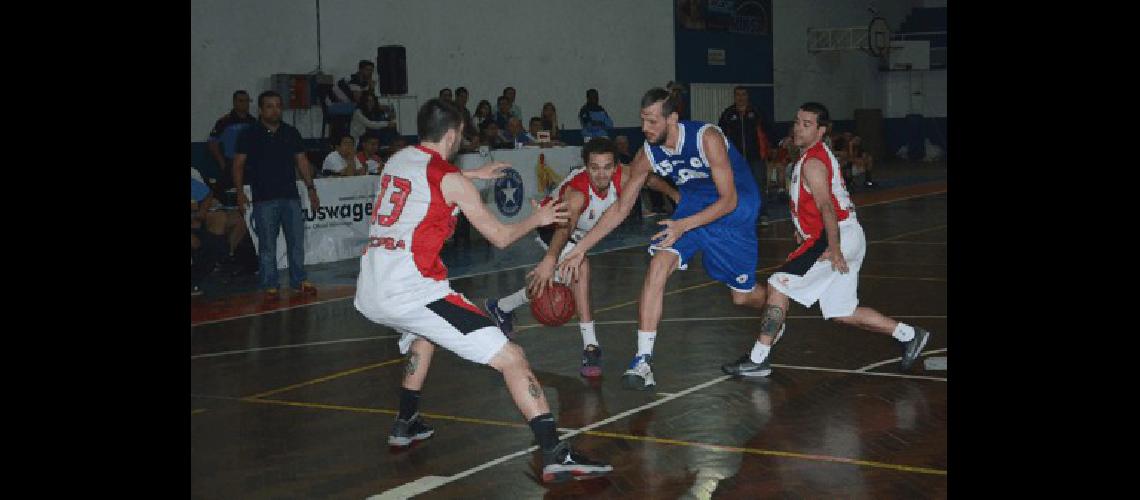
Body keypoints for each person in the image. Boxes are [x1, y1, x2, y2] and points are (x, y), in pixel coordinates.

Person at [354, 98, 611, 482]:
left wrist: (473, 176)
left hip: (371, 286)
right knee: (513, 357)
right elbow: (502, 237)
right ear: (454, 133)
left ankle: (405, 422)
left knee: (423, 338)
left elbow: (432, 177)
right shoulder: (451, 180)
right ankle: (555, 452)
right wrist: (538, 217)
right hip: (412, 290)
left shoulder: (397, 159)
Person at [555, 88, 767, 391]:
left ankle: (776, 303)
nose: (645, 129)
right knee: (658, 265)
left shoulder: (706, 138)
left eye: (653, 122)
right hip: (692, 206)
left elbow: (728, 200)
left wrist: (684, 225)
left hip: (734, 210)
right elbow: (620, 208)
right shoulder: (648, 153)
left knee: (743, 296)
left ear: (673, 118)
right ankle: (642, 361)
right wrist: (580, 249)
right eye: (643, 121)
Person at [720, 102, 932, 378]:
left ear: (820, 131)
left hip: (837, 235)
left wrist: (834, 248)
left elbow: (826, 207)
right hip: (845, 233)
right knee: (841, 311)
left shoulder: (814, 163)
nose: (798, 128)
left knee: (778, 285)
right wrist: (804, 230)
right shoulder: (811, 157)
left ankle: (758, 358)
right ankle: (908, 334)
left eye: (806, 125)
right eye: (797, 122)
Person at [485, 137, 678, 378]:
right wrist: (550, 258)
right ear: (585, 167)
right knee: (580, 267)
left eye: (607, 167)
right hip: (555, 228)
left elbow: (650, 180)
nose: (601, 174)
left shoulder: (626, 175)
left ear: (616, 166)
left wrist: (676, 196)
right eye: (594, 168)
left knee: (559, 279)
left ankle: (501, 306)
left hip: (580, 233)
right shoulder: (577, 192)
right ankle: (591, 347)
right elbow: (565, 228)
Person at [233, 90, 321, 299]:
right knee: (267, 245)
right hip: (264, 198)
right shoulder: (249, 134)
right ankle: (269, 284)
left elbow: (302, 161)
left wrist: (311, 189)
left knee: (296, 242)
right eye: (270, 106)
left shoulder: (291, 132)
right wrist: (239, 192)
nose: (275, 110)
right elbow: (238, 165)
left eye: (278, 105)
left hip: (290, 196)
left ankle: (298, 280)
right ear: (261, 110)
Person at [718, 86, 770, 224]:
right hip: (736, 159)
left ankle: (762, 214)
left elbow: (768, 132)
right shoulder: (728, 114)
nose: (741, 97)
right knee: (737, 186)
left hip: (756, 157)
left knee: (758, 185)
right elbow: (721, 136)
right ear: (734, 97)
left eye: (743, 94)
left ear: (748, 96)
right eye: (738, 95)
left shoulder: (757, 112)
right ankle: (741, 214)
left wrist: (770, 149)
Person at [206, 90, 256, 193]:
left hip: (250, 165)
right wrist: (222, 163)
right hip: (231, 164)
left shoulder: (253, 122)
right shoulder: (224, 122)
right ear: (234, 102)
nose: (245, 104)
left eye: (247, 101)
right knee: (230, 194)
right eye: (241, 101)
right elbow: (212, 143)